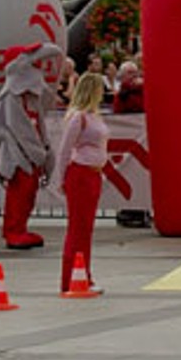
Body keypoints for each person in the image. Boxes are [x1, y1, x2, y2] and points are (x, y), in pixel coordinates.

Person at [0, 42, 60, 249]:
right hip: (19, 155)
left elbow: (38, 124)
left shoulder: (30, 97)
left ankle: (20, 227)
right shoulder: (11, 97)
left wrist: (45, 149)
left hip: (33, 154)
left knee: (29, 193)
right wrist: (35, 152)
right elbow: (17, 128)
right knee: (19, 193)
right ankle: (13, 231)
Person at [51, 70, 111, 294]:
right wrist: (61, 178)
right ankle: (70, 278)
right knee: (78, 228)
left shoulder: (94, 116)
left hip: (93, 174)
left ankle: (84, 274)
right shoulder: (79, 117)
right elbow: (65, 149)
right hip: (80, 174)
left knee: (86, 229)